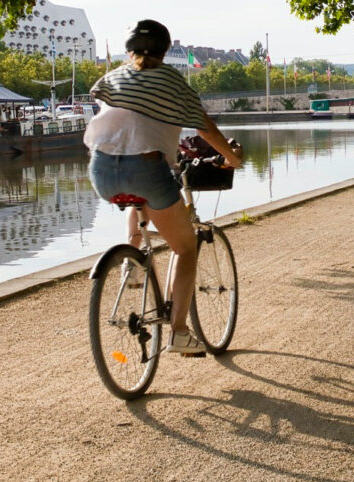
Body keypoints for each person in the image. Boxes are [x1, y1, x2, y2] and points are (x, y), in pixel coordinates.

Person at [85, 19, 244, 354]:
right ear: (166, 50)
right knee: (185, 247)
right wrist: (232, 158)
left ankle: (132, 262)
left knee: (139, 202)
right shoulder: (171, 80)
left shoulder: (113, 76)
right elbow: (205, 129)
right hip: (146, 168)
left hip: (100, 170)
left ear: (129, 51)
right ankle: (180, 333)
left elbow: (115, 114)